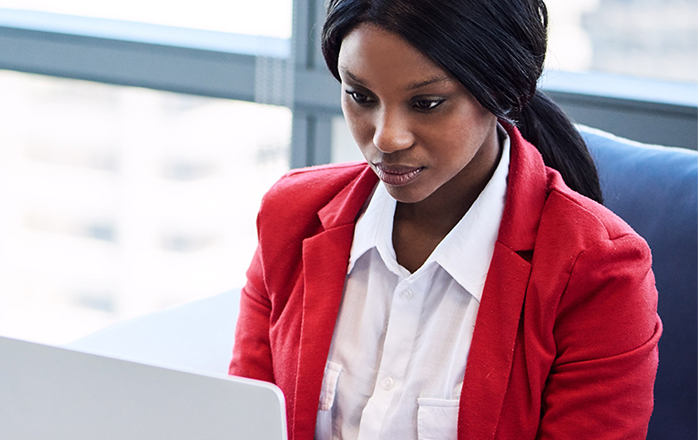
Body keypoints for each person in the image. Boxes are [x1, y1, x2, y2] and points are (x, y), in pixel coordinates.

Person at [227, 0, 661, 439]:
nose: (386, 137)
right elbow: (242, 424)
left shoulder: (598, 272)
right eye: (360, 96)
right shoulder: (291, 216)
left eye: (426, 103)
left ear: (502, 92)